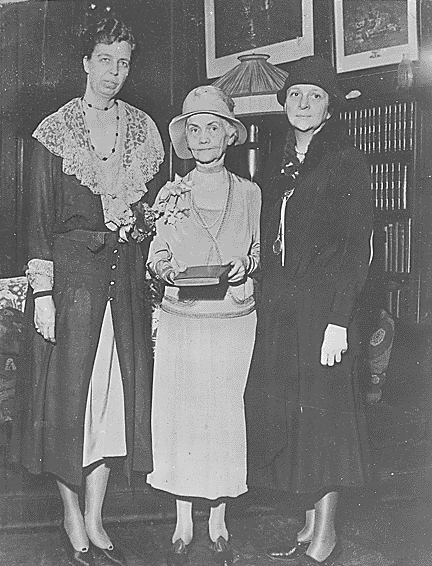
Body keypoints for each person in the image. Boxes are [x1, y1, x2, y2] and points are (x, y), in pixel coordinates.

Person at [13, 17, 164, 566]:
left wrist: (144, 226)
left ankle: (98, 519)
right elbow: (35, 224)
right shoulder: (53, 132)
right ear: (85, 62)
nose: (114, 73)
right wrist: (44, 296)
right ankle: (71, 519)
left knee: (112, 402)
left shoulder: (145, 130)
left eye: (124, 62)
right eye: (105, 60)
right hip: (71, 285)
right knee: (69, 403)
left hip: (123, 283)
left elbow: (150, 218)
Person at [244, 56, 373, 566]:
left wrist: (339, 320)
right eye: (295, 94)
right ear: (284, 103)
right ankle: (308, 523)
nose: (302, 103)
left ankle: (328, 534)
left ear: (329, 106)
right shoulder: (279, 161)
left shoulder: (346, 160)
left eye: (314, 96)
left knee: (326, 422)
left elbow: (355, 247)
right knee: (298, 418)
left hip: (325, 313)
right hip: (284, 310)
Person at [146, 85, 261, 566]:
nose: (204, 137)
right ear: (185, 140)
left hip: (232, 319)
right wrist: (165, 269)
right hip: (184, 321)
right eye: (194, 129)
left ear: (229, 135)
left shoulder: (251, 193)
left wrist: (243, 268)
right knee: (182, 416)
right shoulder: (170, 193)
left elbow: (257, 252)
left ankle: (218, 515)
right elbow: (157, 253)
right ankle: (182, 517)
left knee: (222, 415)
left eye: (214, 127)